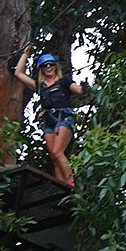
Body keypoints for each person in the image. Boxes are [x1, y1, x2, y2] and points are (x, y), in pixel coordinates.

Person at [15, 45, 82, 187]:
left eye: (51, 64)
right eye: (45, 66)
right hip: (48, 120)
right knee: (53, 155)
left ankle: (70, 183)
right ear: (41, 69)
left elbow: (79, 90)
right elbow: (18, 74)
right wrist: (26, 54)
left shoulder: (64, 82)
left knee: (58, 152)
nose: (49, 67)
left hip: (63, 116)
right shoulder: (40, 86)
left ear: (56, 66)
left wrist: (86, 88)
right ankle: (61, 185)